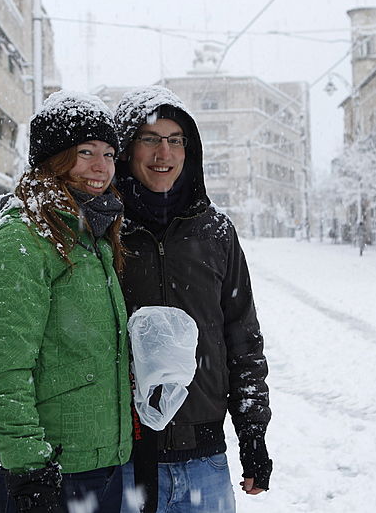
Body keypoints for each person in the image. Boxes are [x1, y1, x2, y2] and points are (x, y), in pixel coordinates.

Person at [0, 91, 132, 513]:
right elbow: (2, 368)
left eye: (109, 154)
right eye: (85, 153)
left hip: (104, 462)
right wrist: (28, 469)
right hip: (54, 471)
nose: (101, 167)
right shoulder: (21, 239)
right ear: (54, 159)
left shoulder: (91, 234)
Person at [114, 86, 272, 513]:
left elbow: (242, 339)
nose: (163, 152)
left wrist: (252, 436)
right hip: (125, 462)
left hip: (205, 461)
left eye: (175, 140)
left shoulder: (215, 232)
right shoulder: (105, 231)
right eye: (149, 138)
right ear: (127, 149)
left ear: (189, 151)